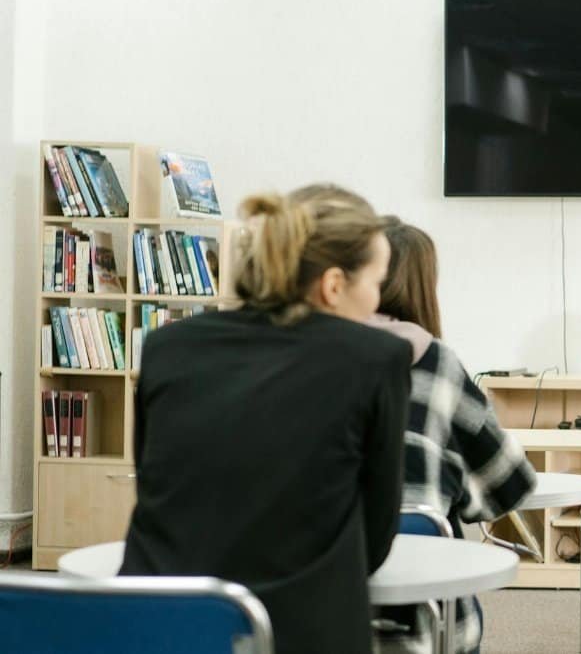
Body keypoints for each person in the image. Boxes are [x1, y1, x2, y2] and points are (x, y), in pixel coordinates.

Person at [120, 184, 413, 654]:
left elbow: (157, 487)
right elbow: (374, 542)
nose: (378, 300)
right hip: (299, 633)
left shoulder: (168, 346)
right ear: (333, 285)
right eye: (376, 282)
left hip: (157, 624)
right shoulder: (377, 359)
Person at [370, 217, 537, 654]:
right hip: (421, 616)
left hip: (310, 604)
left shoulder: (309, 356)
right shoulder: (436, 363)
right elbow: (506, 485)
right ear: (425, 284)